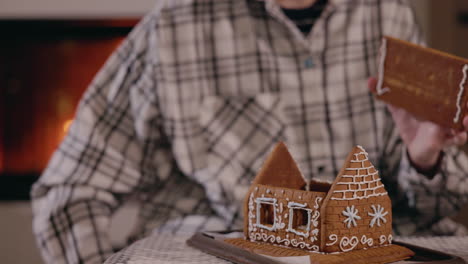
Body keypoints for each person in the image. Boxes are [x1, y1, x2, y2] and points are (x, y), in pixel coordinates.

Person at [31, 0, 468, 263]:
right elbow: (70, 190)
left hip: (376, 246)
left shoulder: (388, 11)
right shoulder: (174, 26)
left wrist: (424, 156)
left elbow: (433, 201)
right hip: (225, 248)